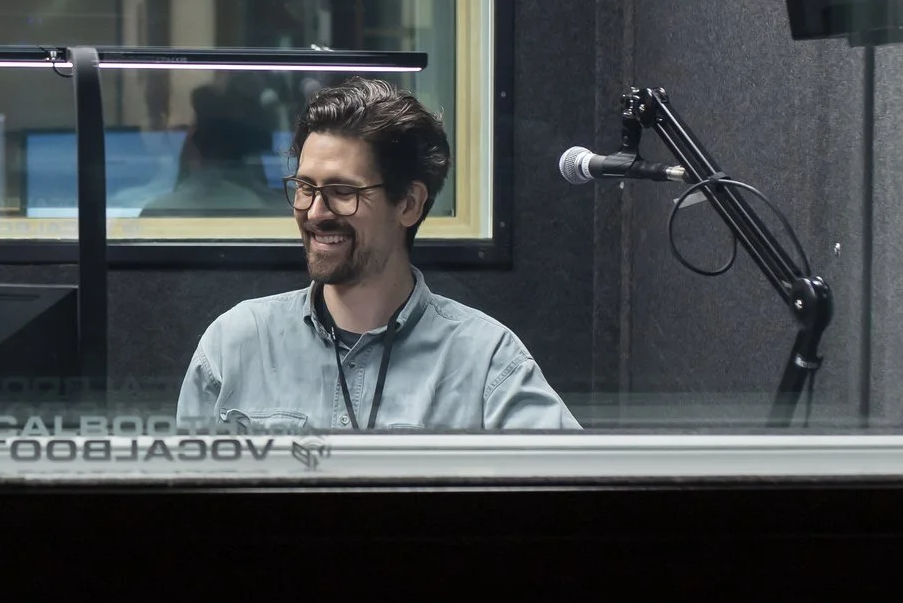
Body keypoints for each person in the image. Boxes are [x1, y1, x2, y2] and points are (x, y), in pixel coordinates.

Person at [177, 78, 579, 432]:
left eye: (342, 192)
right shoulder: (235, 345)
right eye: (305, 188)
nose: (314, 213)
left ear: (408, 204)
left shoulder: (486, 360)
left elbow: (579, 483)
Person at [139, 82, 287, 216]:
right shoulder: (283, 210)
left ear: (194, 145)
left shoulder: (158, 211)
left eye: (185, 128)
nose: (172, 130)